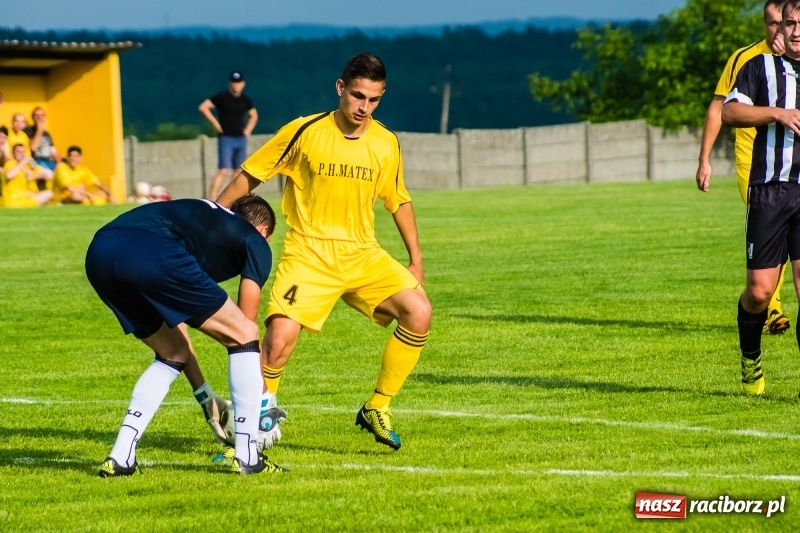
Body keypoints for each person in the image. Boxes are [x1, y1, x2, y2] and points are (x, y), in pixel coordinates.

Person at [216, 53, 432, 451]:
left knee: (419, 312)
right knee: (278, 340)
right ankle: (253, 425)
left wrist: (415, 258)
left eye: (373, 100)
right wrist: (210, 216)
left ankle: (377, 408)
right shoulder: (305, 131)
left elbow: (398, 200)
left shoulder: (385, 143)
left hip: (362, 253)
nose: (363, 107)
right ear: (340, 88)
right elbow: (250, 175)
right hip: (309, 254)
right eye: (357, 96)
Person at [87, 195, 284, 476]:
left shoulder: (206, 225)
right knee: (245, 334)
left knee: (171, 353)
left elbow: (175, 322)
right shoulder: (254, 239)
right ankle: (248, 456)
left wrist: (205, 397)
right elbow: (245, 326)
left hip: (100, 253)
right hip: (153, 250)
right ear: (264, 231)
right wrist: (263, 404)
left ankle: (121, 457)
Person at [697, 0, 790, 335]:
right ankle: (773, 308)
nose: (777, 29)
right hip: (754, 162)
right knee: (771, 232)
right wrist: (704, 158)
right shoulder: (746, 59)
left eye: (784, 22)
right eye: (770, 23)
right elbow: (718, 108)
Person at [721, 0, 800, 396]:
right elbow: (729, 113)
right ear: (780, 29)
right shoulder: (760, 68)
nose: (797, 30)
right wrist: (777, 114)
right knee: (759, 292)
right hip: (770, 192)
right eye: (790, 23)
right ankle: (750, 359)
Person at [199, 71, 258, 200]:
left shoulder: (245, 100)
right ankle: (212, 199)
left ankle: (236, 199)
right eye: (234, 83)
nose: (236, 86)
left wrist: (248, 130)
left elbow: (254, 115)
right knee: (223, 170)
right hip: (226, 138)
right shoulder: (222, 97)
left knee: (238, 171)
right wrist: (215, 124)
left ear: (243, 84)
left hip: (240, 138)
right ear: (230, 83)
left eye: (238, 83)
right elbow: (203, 107)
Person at [1, 143, 53, 207]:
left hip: (23, 199)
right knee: (49, 194)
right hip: (11, 200)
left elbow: (47, 174)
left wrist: (34, 165)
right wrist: (22, 162)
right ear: (12, 153)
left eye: (23, 152)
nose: (21, 154)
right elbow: (9, 175)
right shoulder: (10, 163)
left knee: (49, 193)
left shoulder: (26, 167)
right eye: (18, 151)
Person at [24, 107, 59, 171]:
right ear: (32, 117)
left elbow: (54, 151)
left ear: (45, 117)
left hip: (48, 161)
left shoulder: (47, 133)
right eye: (36, 115)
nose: (39, 117)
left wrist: (59, 163)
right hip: (36, 161)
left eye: (42, 115)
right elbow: (33, 148)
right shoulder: (28, 130)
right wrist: (39, 130)